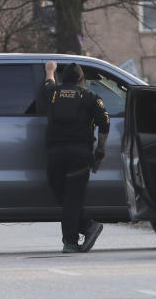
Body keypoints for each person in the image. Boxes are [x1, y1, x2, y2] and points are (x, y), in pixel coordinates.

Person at [43, 61, 110, 253]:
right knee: (72, 198)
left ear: (63, 79)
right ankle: (82, 231)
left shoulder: (53, 93)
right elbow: (104, 124)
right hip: (79, 155)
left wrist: (50, 70)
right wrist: (100, 150)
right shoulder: (90, 96)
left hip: (55, 154)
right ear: (81, 80)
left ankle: (76, 236)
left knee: (61, 195)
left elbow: (48, 82)